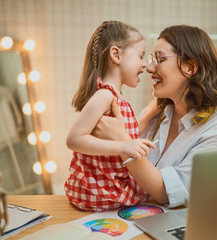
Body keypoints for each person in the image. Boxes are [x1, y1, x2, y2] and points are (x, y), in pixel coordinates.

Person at [93, 24, 217, 208]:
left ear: (189, 67)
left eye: (160, 59)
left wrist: (121, 140)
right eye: (151, 58)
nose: (149, 68)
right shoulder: (157, 113)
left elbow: (165, 192)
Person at [64, 21, 155, 212]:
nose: (145, 64)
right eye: (140, 56)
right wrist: (124, 146)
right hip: (102, 192)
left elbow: (122, 131)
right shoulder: (105, 95)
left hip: (108, 186)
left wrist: (152, 112)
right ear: (116, 55)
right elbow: (74, 139)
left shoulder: (114, 97)